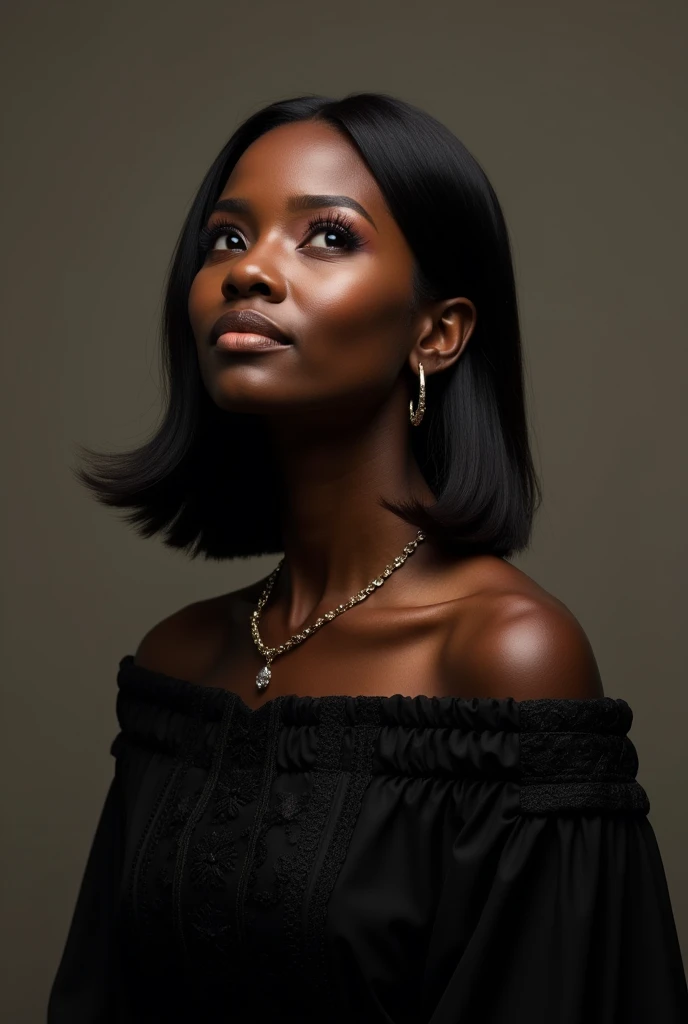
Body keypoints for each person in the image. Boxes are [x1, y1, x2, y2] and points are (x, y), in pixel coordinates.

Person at [47, 92, 688, 1022]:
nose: (250, 270)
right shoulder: (176, 665)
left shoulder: (507, 656)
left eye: (328, 238)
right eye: (227, 239)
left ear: (439, 332)